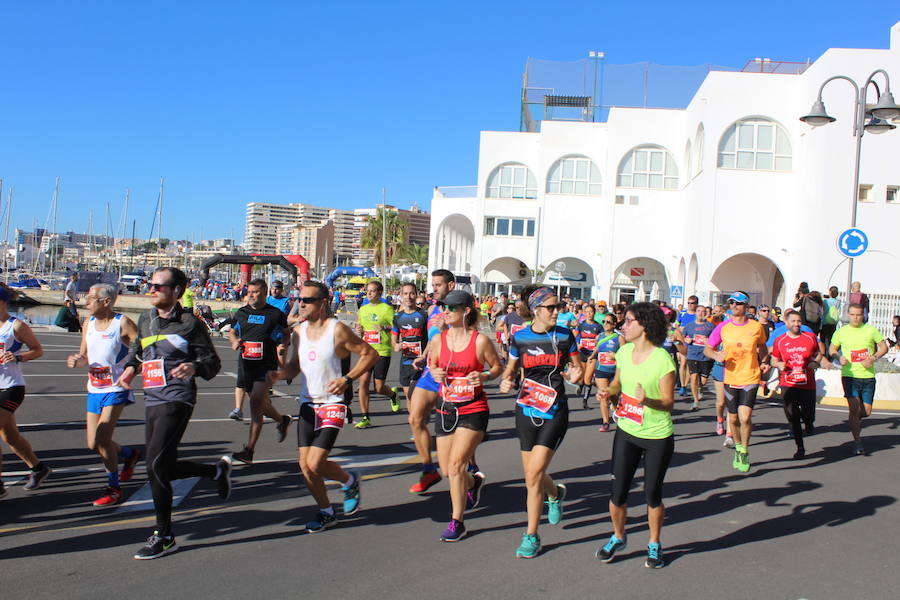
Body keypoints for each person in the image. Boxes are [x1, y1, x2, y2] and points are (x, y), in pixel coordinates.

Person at [117, 267, 231, 560]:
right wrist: (131, 368)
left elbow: (212, 363)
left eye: (157, 286)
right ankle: (214, 471)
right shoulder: (146, 319)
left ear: (176, 291)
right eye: (150, 285)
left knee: (154, 465)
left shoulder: (190, 324)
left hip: (178, 397)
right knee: (162, 467)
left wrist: (193, 366)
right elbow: (139, 353)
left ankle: (164, 535)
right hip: (153, 397)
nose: (151, 290)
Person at [271, 281, 378, 532]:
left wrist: (347, 379)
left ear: (322, 303)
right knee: (304, 466)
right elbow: (295, 366)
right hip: (308, 402)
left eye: (307, 300)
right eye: (300, 299)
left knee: (316, 463)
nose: (301, 304)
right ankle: (326, 512)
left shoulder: (337, 330)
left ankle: (349, 480)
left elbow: (370, 354)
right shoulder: (298, 332)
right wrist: (278, 372)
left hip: (332, 403)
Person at [499, 286, 583, 558]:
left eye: (558, 307)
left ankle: (531, 535)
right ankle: (555, 494)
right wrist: (506, 381)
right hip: (526, 410)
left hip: (555, 410)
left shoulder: (564, 335)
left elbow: (577, 367)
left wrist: (577, 373)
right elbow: (510, 370)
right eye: (552, 308)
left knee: (533, 474)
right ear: (536, 310)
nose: (558, 312)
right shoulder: (520, 338)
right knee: (531, 475)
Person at [595, 302, 675, 569]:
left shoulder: (663, 359)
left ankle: (654, 543)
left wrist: (647, 401)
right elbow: (618, 381)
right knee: (617, 493)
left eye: (629, 321)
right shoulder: (624, 350)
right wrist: (610, 391)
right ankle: (618, 536)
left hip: (657, 435)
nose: (623, 326)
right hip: (627, 431)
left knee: (652, 493)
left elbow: (667, 402)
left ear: (644, 326)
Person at [430, 290, 502, 542]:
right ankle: (473, 483)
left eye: (451, 309)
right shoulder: (439, 339)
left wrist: (484, 376)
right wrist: (435, 373)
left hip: (473, 408)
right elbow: (433, 364)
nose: (445, 313)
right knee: (448, 471)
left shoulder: (480, 341)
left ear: (465, 311)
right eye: (444, 308)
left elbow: (497, 367)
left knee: (456, 465)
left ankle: (457, 521)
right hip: (446, 408)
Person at [66, 283, 141, 506]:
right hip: (94, 388)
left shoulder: (122, 323)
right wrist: (76, 361)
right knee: (93, 443)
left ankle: (114, 488)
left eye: (90, 298)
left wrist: (131, 371)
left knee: (102, 439)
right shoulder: (88, 323)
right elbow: (84, 355)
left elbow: (142, 350)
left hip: (116, 388)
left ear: (106, 302)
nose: (85, 302)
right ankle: (129, 455)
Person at [227, 279, 292, 464]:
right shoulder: (242, 312)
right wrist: (234, 341)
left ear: (264, 293)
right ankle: (282, 420)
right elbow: (232, 331)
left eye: (255, 292)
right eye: (250, 292)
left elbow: (286, 332)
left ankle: (249, 450)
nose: (252, 295)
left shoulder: (275, 314)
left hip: (266, 364)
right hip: (246, 363)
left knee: (256, 402)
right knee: (259, 405)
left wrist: (282, 344)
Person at [704, 291, 769, 473]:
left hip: (750, 376)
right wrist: (716, 354)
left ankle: (744, 450)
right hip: (730, 377)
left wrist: (764, 363)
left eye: (738, 303)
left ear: (746, 307)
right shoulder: (723, 327)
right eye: (731, 302)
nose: (734, 306)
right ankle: (738, 446)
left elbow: (762, 346)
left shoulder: (756, 327)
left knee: (745, 417)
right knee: (732, 417)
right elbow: (708, 349)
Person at [407, 269, 456, 494]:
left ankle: (471, 471)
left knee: (457, 429)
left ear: (451, 285)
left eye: (438, 284)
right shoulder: (432, 308)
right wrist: (424, 354)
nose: (434, 288)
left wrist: (449, 330)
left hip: (454, 373)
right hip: (431, 370)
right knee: (415, 419)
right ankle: (428, 469)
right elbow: (433, 337)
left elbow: (471, 338)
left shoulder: (461, 309)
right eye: (433, 284)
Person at [0, 283, 50, 499]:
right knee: (10, 436)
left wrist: (18, 356)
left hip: (11, 387)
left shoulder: (16, 326)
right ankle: (38, 468)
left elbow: (38, 350)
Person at [770, 310, 832, 459]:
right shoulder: (780, 340)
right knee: (793, 415)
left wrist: (815, 363)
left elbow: (818, 353)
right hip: (788, 383)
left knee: (808, 414)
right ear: (786, 323)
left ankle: (809, 423)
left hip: (807, 383)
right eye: (793, 321)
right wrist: (778, 364)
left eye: (799, 321)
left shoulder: (810, 337)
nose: (797, 324)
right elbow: (773, 360)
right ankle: (800, 447)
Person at [829, 303, 888, 455]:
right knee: (854, 408)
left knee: (866, 412)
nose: (856, 318)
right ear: (848, 315)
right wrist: (839, 357)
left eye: (859, 315)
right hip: (850, 375)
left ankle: (854, 419)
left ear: (863, 315)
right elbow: (832, 349)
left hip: (868, 376)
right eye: (853, 315)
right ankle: (857, 442)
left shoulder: (870, 330)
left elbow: (883, 347)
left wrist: (873, 358)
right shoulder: (841, 332)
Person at [354, 281, 399, 428]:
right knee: (363, 383)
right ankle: (365, 416)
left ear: (380, 293)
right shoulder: (363, 309)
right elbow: (359, 326)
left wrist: (384, 327)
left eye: (373, 291)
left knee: (378, 387)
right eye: (368, 291)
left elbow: (396, 326)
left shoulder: (387, 309)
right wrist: (359, 330)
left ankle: (392, 395)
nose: (369, 293)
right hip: (367, 351)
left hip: (382, 351)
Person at [391, 283, 428, 407]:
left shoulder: (424, 315)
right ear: (401, 295)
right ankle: (414, 423)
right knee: (409, 397)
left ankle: (418, 420)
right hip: (405, 362)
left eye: (412, 293)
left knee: (415, 395)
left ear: (416, 295)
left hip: (421, 362)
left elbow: (432, 338)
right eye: (405, 293)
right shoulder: (397, 317)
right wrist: (396, 346)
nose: (409, 296)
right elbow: (394, 338)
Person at [587, 314, 623, 431]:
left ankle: (619, 413)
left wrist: (615, 356)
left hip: (615, 372)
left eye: (608, 322)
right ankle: (605, 422)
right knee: (603, 395)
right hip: (601, 370)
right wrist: (592, 356)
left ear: (614, 324)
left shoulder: (619, 338)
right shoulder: (600, 336)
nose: (606, 324)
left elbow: (626, 355)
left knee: (613, 395)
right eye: (604, 321)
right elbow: (597, 347)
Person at [683, 305, 716, 412]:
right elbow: (682, 337)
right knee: (694, 376)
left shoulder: (710, 326)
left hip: (706, 356)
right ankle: (696, 401)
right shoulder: (689, 326)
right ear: (695, 313)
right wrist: (685, 340)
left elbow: (716, 340)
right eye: (699, 311)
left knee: (703, 380)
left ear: (706, 313)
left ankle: (700, 387)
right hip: (692, 355)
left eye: (703, 311)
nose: (701, 313)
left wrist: (709, 341)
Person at [575, 303, 602, 408]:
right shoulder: (581, 325)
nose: (589, 314)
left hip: (592, 354)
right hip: (583, 352)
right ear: (584, 313)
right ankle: (580, 385)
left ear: (594, 313)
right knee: (581, 377)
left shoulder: (598, 327)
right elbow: (574, 336)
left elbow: (601, 340)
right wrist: (577, 344)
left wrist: (597, 343)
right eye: (587, 312)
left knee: (588, 378)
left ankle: (585, 400)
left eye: (591, 312)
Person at [821, 286, 842, 351]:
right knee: (831, 338)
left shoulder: (825, 301)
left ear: (830, 292)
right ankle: (831, 351)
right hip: (833, 322)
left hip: (825, 321)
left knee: (823, 338)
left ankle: (823, 351)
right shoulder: (838, 302)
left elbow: (823, 310)